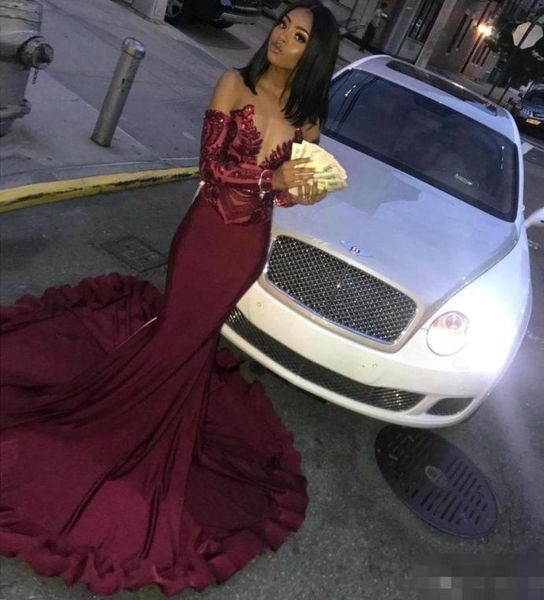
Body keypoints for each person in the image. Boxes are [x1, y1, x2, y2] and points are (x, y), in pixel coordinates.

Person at [0, 1, 340, 596]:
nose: (283, 37)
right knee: (173, 335)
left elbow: (284, 196)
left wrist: (302, 193)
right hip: (205, 236)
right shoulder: (234, 84)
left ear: (314, 55)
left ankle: (164, 430)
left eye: (298, 36)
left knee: (195, 347)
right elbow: (210, 166)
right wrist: (272, 179)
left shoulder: (306, 121)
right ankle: (112, 425)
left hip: (244, 250)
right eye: (283, 25)